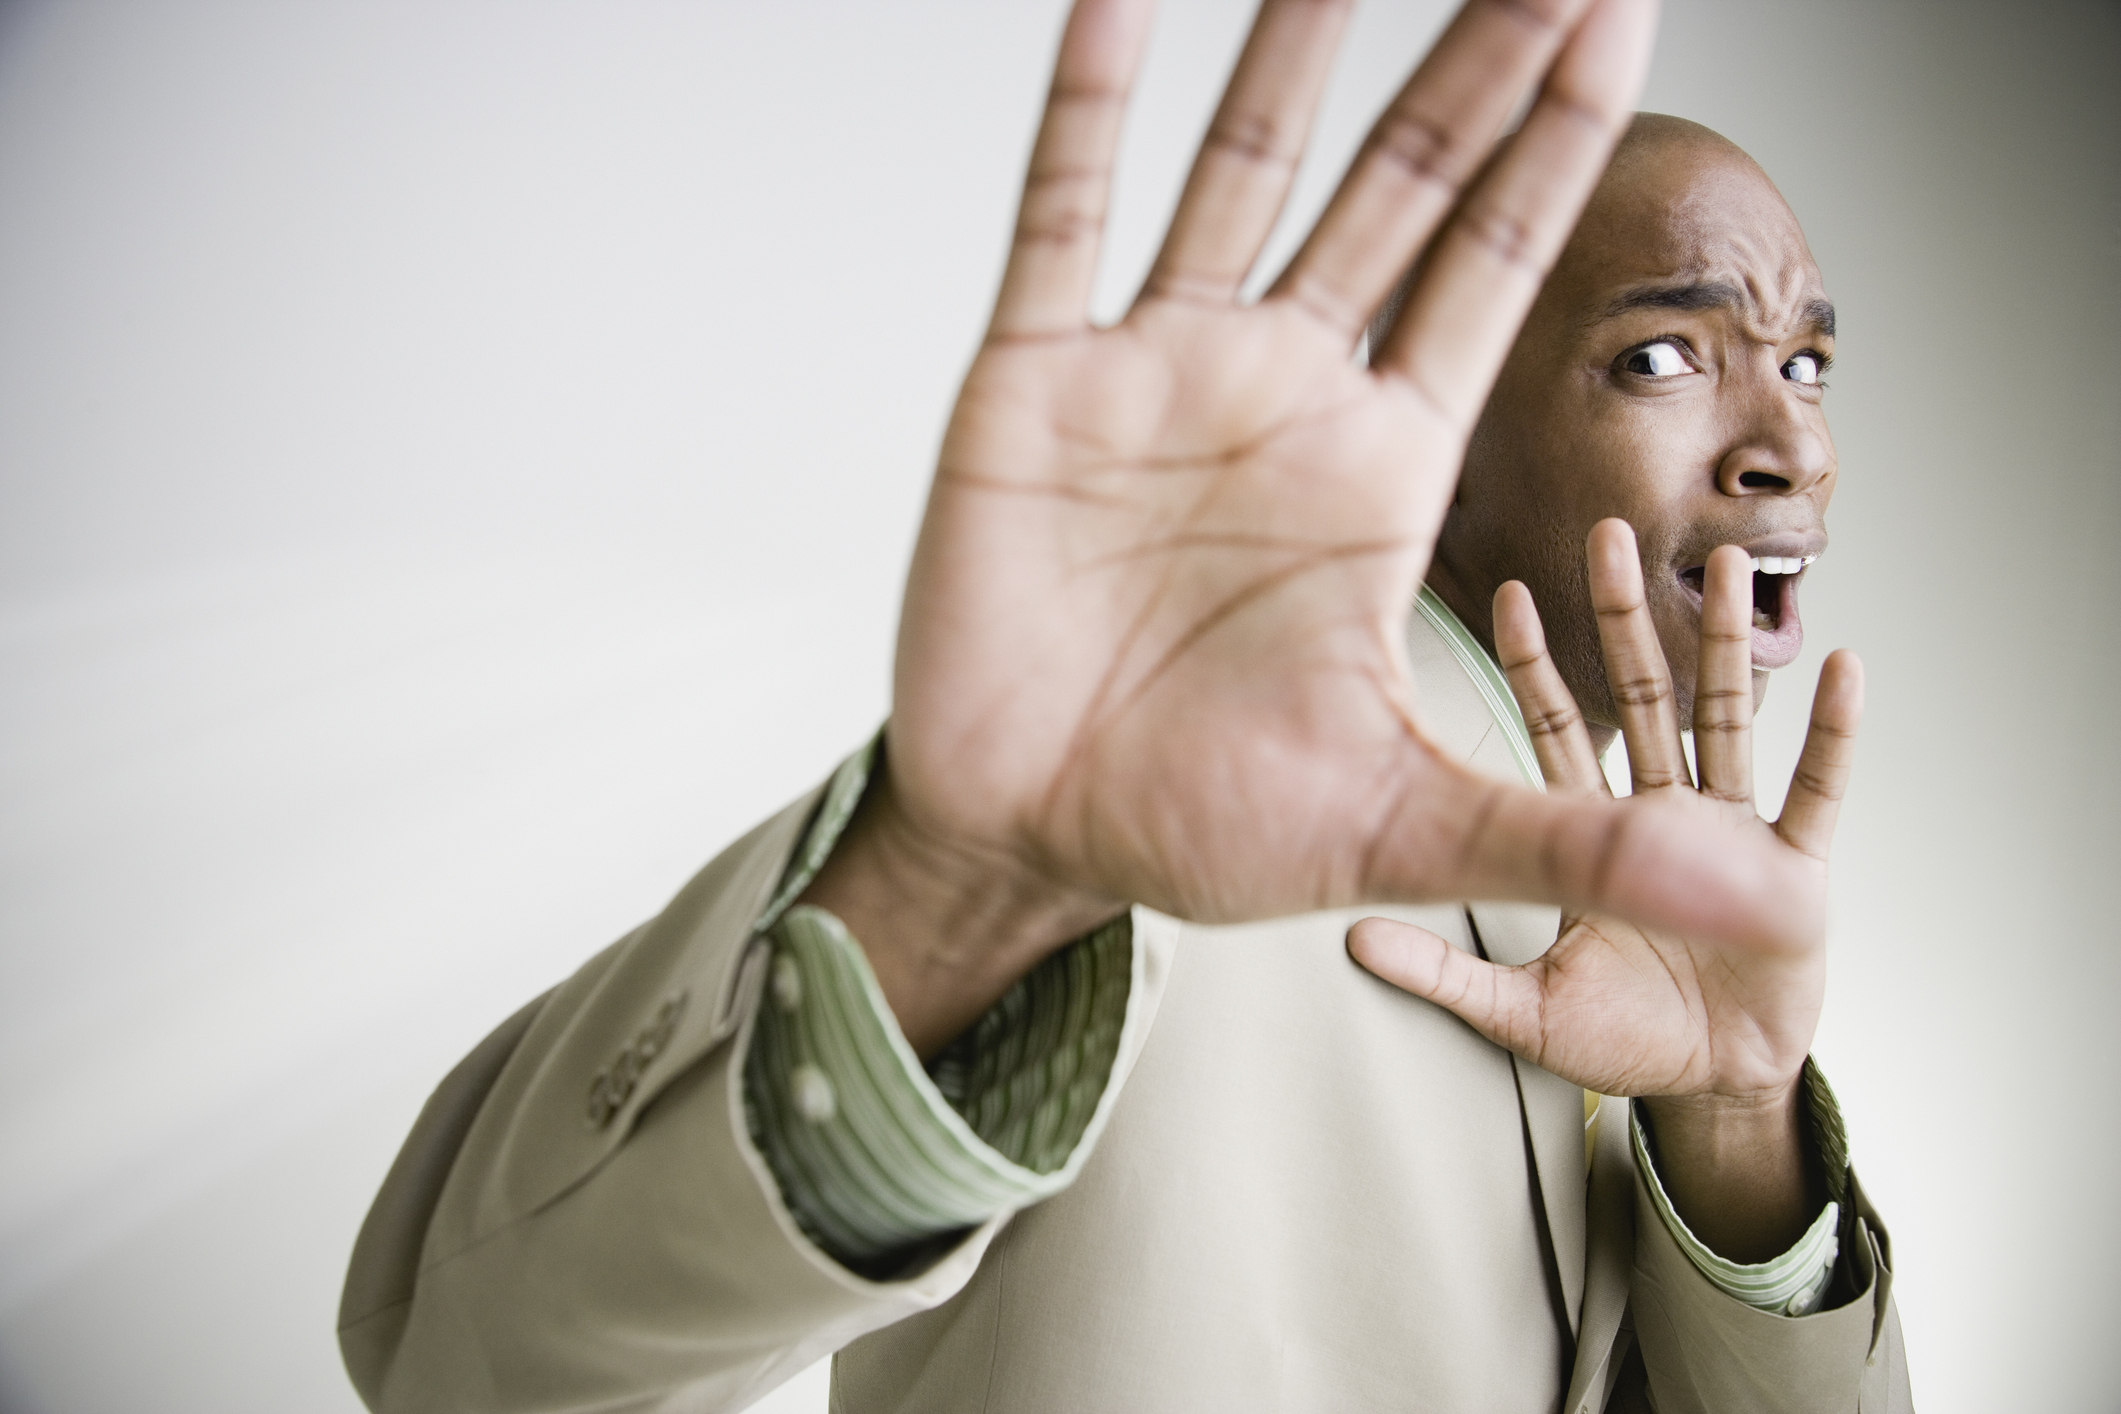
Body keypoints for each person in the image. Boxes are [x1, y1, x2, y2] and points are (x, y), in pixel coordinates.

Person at [338, 1, 1911, 1409]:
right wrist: (957, 888)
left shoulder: (1696, 949)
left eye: (1809, 365)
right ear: (1435, 413)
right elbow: (470, 1364)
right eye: (1661, 356)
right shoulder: (1160, 818)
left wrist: (1736, 1124)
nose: (1791, 444)